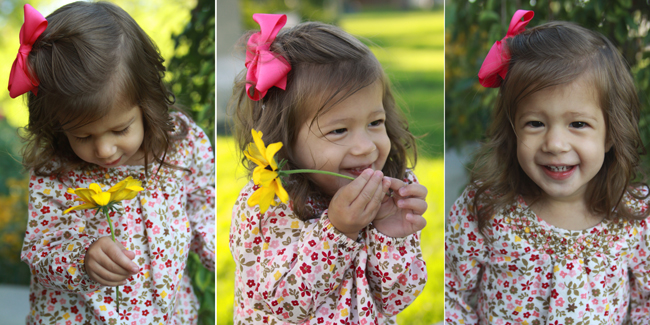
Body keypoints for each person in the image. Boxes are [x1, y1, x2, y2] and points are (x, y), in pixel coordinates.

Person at [9, 2, 215, 324]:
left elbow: (204, 206)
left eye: (120, 129)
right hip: (80, 317)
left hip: (166, 315)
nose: (104, 150)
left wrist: (225, 254)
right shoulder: (57, 171)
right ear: (57, 126)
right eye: (82, 136)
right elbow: (39, 249)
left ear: (147, 101)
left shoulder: (183, 146)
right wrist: (82, 257)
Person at [445, 10, 650, 325]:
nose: (555, 143)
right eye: (535, 123)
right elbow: (453, 300)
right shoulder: (484, 211)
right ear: (513, 131)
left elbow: (644, 306)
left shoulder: (635, 216)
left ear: (611, 135)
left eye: (578, 124)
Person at [229, 14, 428, 324]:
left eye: (375, 123)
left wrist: (391, 233)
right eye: (339, 131)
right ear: (284, 139)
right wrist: (337, 231)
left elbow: (395, 299)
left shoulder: (384, 196)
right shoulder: (267, 208)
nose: (365, 146)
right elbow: (285, 304)